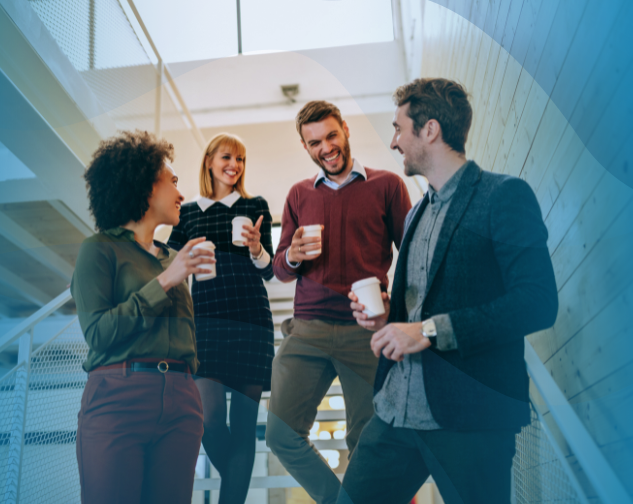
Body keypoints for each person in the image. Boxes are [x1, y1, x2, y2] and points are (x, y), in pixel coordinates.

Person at [338, 78, 559, 504]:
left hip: (470, 417)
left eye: (399, 129)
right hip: (395, 411)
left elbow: (537, 303)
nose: (393, 142)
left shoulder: (504, 196)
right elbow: (422, 306)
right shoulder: (416, 213)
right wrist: (389, 317)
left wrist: (430, 330)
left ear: (430, 130)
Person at [266, 101, 412, 504]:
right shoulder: (298, 194)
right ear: (305, 146)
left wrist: (391, 307)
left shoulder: (386, 185)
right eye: (315, 142)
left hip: (364, 334)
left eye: (332, 135)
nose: (326, 147)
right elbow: (280, 268)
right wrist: (293, 254)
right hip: (307, 330)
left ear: (345, 130)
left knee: (365, 441)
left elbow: (414, 258)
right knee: (279, 433)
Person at [71, 131, 215, 504]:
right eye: (173, 181)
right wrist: (167, 281)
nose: (182, 193)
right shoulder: (99, 250)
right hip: (118, 398)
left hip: (182, 401)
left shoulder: (172, 257)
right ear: (146, 186)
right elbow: (99, 334)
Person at [168, 133, 275, 504]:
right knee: (208, 421)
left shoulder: (255, 204)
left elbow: (269, 270)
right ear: (210, 161)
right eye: (228, 157)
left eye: (241, 159)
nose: (235, 165)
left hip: (251, 321)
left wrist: (257, 248)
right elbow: (167, 262)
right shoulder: (187, 213)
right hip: (207, 323)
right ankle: (236, 488)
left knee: (244, 428)